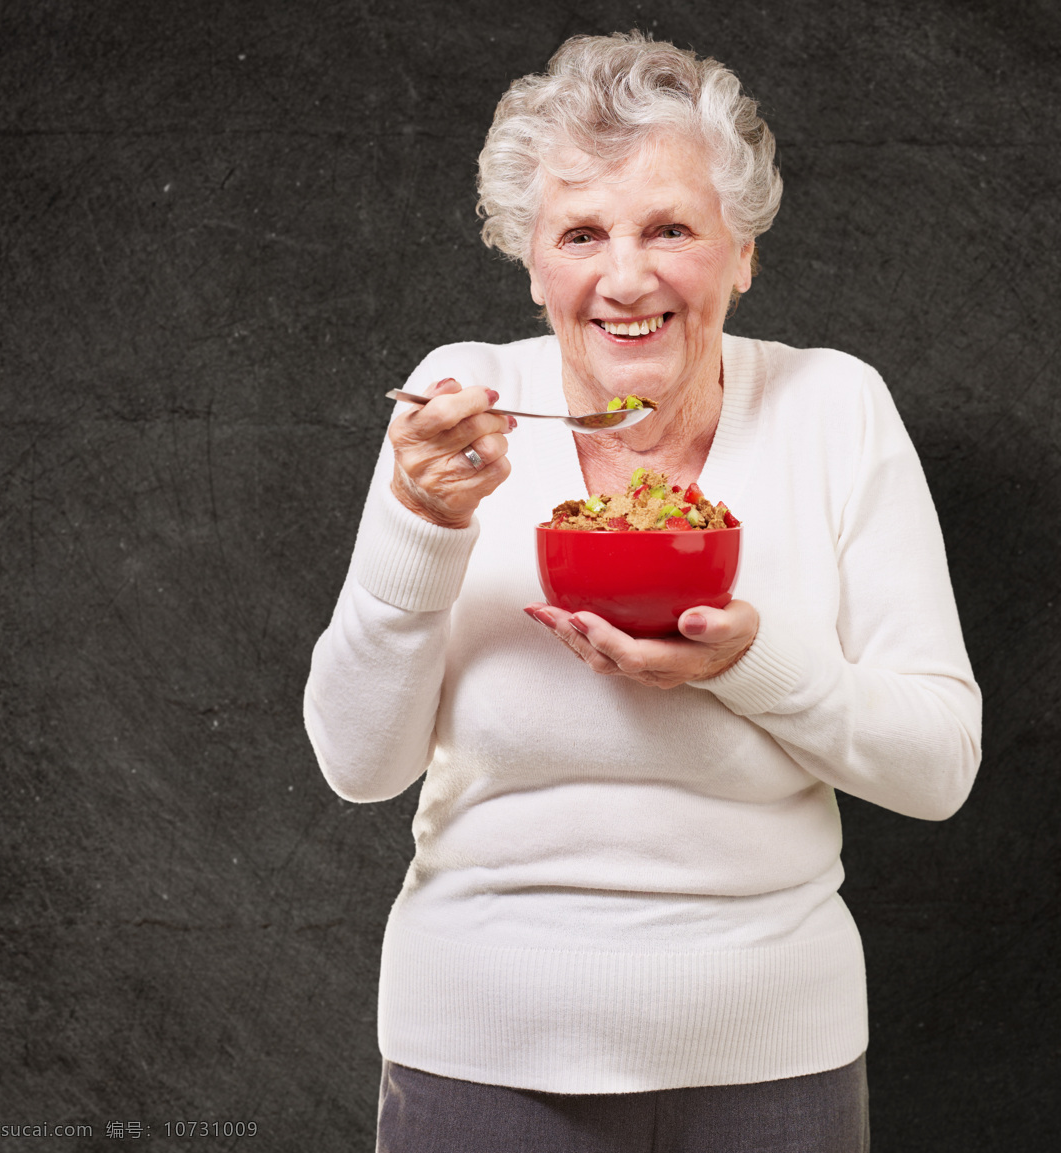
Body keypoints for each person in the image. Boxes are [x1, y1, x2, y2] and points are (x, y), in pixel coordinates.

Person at [303, 30, 980, 1153]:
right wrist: (427, 525)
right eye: (581, 233)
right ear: (532, 263)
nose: (626, 278)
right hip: (479, 1054)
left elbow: (939, 766)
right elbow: (357, 764)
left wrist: (749, 664)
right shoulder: (459, 405)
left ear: (742, 253)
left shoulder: (834, 408)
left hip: (778, 1056)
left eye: (671, 228)